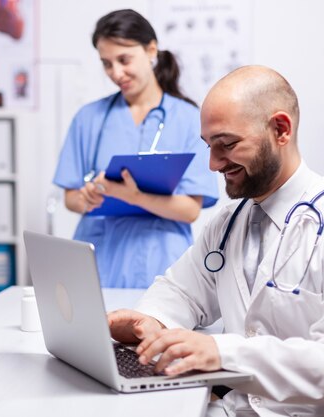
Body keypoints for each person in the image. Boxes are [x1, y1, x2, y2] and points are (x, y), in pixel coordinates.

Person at [108, 65, 324, 416]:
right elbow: (182, 291)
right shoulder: (227, 223)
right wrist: (150, 322)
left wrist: (222, 353)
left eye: (227, 145)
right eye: (208, 146)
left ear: (281, 129)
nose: (213, 164)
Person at [53, 9, 219, 288]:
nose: (116, 73)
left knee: (158, 329)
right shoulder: (89, 118)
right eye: (106, 64)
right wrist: (87, 197)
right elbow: (71, 198)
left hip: (162, 260)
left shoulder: (189, 118)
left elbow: (190, 209)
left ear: (151, 50)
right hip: (97, 259)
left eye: (124, 59)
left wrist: (131, 196)